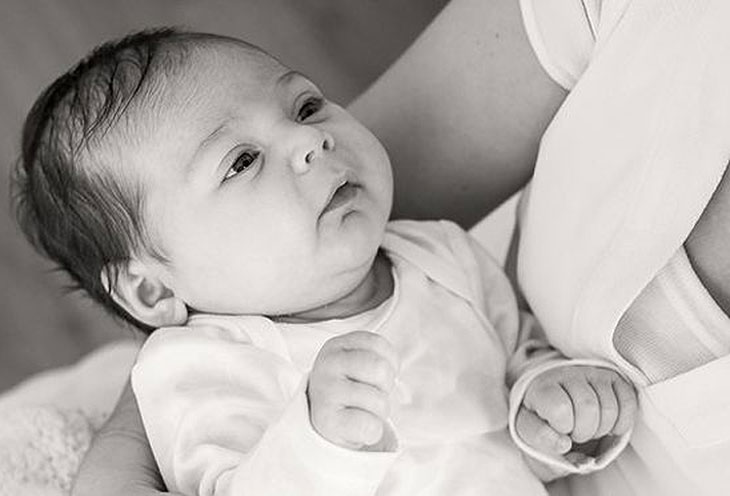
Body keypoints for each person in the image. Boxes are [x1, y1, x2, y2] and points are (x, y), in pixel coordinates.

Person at [55, 0, 730, 494]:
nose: (311, 139)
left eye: (307, 106)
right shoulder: (200, 367)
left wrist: (546, 405)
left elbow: (516, 363)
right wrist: (315, 442)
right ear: (152, 289)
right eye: (241, 162)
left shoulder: (443, 258)